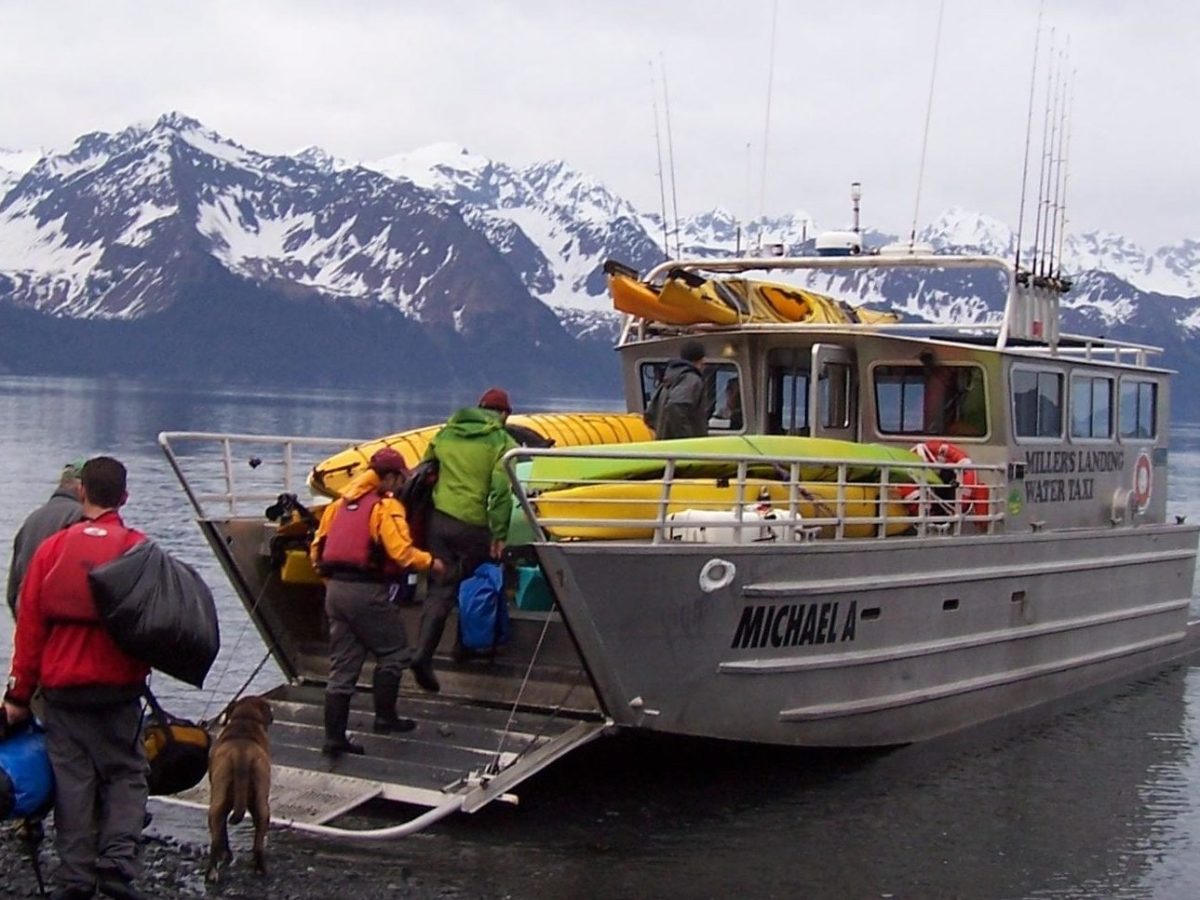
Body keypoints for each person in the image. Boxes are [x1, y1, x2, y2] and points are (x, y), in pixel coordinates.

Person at [3, 457, 150, 900]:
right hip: (118, 691)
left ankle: (75, 878)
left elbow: (30, 629)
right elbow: (157, 624)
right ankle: (118, 861)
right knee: (126, 772)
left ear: (81, 491)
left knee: (74, 782)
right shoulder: (139, 548)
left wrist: (19, 695)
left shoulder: (51, 551)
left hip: (63, 690)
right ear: (124, 497)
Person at [310, 447, 445, 757]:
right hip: (367, 592)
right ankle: (385, 719)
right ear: (391, 477)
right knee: (395, 653)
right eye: (401, 478)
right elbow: (401, 552)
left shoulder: (338, 506)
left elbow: (317, 550)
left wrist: (330, 584)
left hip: (335, 593)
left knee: (342, 667)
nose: (402, 484)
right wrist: (432, 562)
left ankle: (333, 738)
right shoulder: (385, 507)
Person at [411, 388, 519, 692]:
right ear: (503, 413)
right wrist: (499, 533)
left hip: (439, 521)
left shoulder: (445, 434)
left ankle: (423, 653)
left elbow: (425, 470)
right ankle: (467, 647)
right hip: (473, 525)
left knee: (440, 590)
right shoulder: (501, 441)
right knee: (483, 575)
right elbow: (500, 492)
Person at [6, 460, 86, 618]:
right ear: (80, 487)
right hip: (60, 626)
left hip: (27, 620)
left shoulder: (32, 519)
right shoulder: (81, 518)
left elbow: (12, 591)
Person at [644, 340, 708, 439]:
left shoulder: (667, 380)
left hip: (664, 446)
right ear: (702, 360)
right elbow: (675, 405)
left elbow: (649, 415)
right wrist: (687, 438)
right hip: (684, 449)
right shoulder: (691, 379)